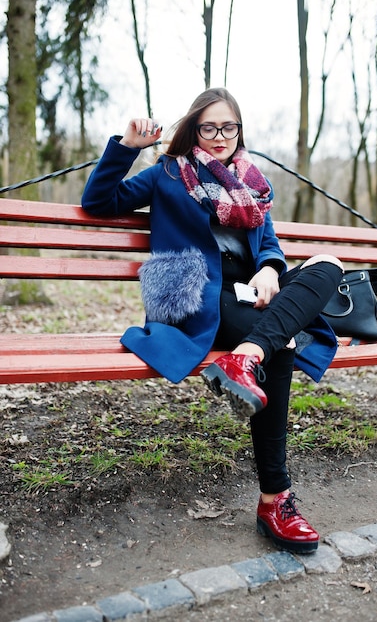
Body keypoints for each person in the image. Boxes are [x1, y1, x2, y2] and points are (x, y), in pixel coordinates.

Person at [81, 87, 344, 554]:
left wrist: (268, 267)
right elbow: (100, 201)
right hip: (197, 296)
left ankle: (245, 356)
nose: (220, 136)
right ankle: (275, 501)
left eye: (229, 126)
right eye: (209, 127)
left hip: (249, 298)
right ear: (194, 129)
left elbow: (269, 245)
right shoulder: (167, 174)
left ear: (239, 129)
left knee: (328, 264)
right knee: (280, 347)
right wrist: (127, 148)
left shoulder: (253, 184)